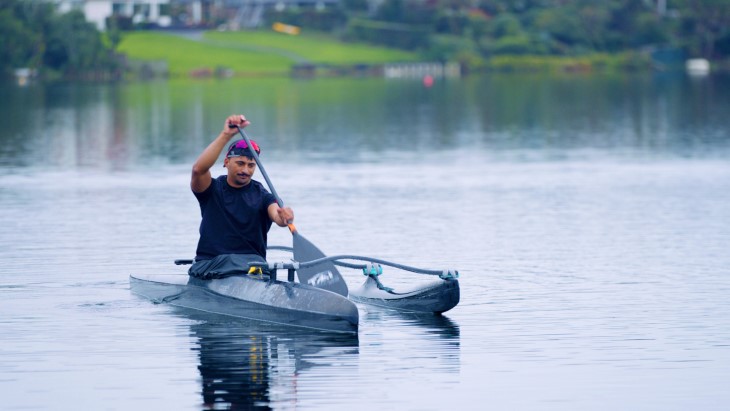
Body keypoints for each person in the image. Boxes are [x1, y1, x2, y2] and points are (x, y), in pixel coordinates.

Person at [188, 114, 294, 279]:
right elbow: (198, 170)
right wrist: (226, 135)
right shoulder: (211, 189)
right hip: (212, 265)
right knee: (239, 262)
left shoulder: (262, 194)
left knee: (255, 265)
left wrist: (283, 217)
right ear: (226, 162)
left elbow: (275, 214)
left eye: (251, 165)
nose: (246, 170)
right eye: (240, 163)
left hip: (253, 268)